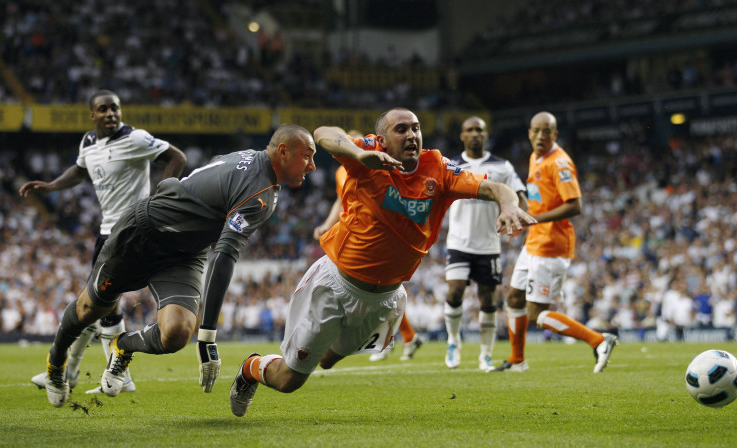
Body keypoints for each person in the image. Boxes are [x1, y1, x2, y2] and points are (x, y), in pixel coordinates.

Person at [228, 108, 536, 417]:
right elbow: (323, 133)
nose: (411, 135)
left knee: (328, 360)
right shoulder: (367, 154)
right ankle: (250, 368)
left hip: (386, 299)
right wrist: (359, 154)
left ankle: (317, 347)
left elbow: (497, 187)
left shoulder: (438, 169)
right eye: (401, 129)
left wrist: (508, 205)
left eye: (415, 128)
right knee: (288, 381)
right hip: (335, 286)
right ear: (383, 139)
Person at [41, 123, 316, 407]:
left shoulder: (246, 157)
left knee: (176, 333)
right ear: (283, 151)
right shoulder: (260, 193)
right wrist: (208, 337)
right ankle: (55, 365)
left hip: (185, 253)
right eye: (307, 155)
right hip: (143, 235)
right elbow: (224, 256)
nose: (313, 166)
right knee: (89, 309)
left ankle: (121, 346)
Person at [21, 90, 187, 395]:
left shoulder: (135, 138)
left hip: (130, 232)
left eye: (115, 108)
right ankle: (108, 376)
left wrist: (159, 197)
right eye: (103, 109)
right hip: (107, 232)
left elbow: (176, 157)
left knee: (92, 305)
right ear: (92, 115)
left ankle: (85, 373)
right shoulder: (88, 142)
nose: (111, 113)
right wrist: (52, 185)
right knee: (97, 307)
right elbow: (81, 170)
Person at [496, 111, 617, 373]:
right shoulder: (535, 157)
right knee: (514, 297)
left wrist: (533, 220)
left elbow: (575, 206)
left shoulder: (560, 163)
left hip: (552, 245)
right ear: (529, 133)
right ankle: (517, 361)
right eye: (536, 131)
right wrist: (520, 219)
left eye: (546, 131)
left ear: (555, 134)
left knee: (536, 314)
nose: (540, 136)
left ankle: (598, 340)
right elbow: (539, 200)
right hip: (534, 242)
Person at [313, 136, 423, 362]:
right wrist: (326, 224)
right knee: (373, 293)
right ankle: (404, 338)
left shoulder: (376, 168)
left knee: (375, 292)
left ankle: (388, 341)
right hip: (350, 234)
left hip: (368, 236)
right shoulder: (341, 172)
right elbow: (340, 200)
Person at [443, 116, 527, 372]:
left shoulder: (502, 166)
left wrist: (517, 219)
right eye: (470, 130)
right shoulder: (451, 165)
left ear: (486, 134)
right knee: (455, 291)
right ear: (462, 136)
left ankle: (485, 355)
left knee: (488, 299)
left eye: (479, 129)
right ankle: (453, 341)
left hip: (489, 243)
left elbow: (520, 197)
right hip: (458, 241)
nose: (475, 134)